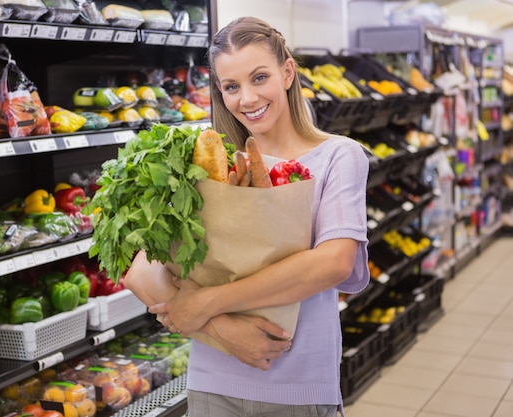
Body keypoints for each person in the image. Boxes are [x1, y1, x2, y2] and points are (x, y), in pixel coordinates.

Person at [124, 16, 370, 417]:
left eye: (260, 78)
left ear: (287, 72)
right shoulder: (207, 167)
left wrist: (208, 302)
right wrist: (219, 329)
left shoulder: (338, 156)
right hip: (212, 386)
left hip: (299, 388)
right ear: (220, 93)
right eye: (232, 87)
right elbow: (142, 270)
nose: (248, 98)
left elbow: (333, 262)